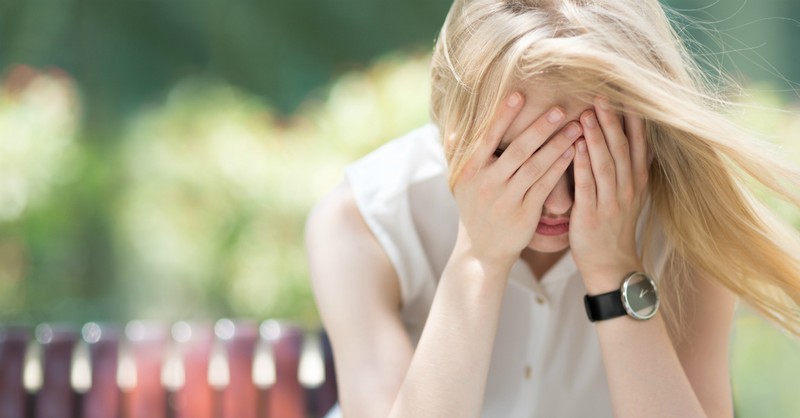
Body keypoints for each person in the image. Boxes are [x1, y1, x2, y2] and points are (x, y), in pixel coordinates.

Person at [305, 0, 800, 417]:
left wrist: (614, 272)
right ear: (447, 126)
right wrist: (479, 257)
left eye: (592, 157)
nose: (559, 202)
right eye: (516, 160)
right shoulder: (362, 222)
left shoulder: (686, 223)